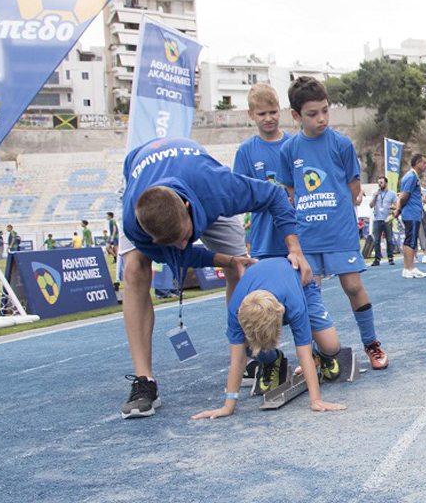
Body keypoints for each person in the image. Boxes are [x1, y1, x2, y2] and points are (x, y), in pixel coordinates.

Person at [117, 136, 308, 419]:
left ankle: (251, 352)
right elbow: (181, 257)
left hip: (199, 183)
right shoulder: (134, 223)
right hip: (141, 179)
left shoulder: (219, 188)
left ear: (187, 207)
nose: (182, 245)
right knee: (134, 270)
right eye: (171, 243)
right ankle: (144, 381)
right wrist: (222, 258)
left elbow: (275, 195)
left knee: (241, 270)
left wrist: (295, 249)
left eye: (184, 237)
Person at [279, 76, 390, 369]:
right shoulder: (288, 150)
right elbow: (291, 192)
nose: (321, 118)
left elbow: (353, 189)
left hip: (340, 232)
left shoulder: (341, 144)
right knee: (309, 294)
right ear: (296, 116)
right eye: (312, 114)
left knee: (353, 286)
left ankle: (371, 343)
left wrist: (335, 209)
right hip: (307, 236)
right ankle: (316, 354)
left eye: (325, 111)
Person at [191, 258, 347, 419]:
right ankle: (272, 360)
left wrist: (316, 400)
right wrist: (228, 406)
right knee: (247, 345)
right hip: (269, 288)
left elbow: (303, 353)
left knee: (331, 346)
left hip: (302, 285)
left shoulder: (295, 305)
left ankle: (319, 354)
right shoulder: (236, 310)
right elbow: (238, 359)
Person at [233, 84, 292, 262]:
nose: (268, 118)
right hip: (264, 239)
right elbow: (240, 194)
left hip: (297, 236)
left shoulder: (294, 144)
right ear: (251, 114)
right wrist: (269, 198)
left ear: (280, 110)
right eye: (261, 114)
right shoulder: (245, 151)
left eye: (273, 112)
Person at [396, 153, 426, 278]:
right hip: (412, 213)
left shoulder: (409, 176)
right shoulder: (412, 177)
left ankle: (408, 268)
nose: (425, 166)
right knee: (411, 241)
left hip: (411, 213)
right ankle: (409, 268)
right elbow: (404, 195)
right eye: (424, 163)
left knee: (409, 240)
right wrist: (399, 209)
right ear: (418, 163)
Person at [368, 175, 398, 266]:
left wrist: (392, 208)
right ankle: (377, 259)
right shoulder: (376, 193)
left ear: (386, 183)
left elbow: (396, 205)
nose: (380, 184)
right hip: (377, 219)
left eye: (381, 182)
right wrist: (375, 197)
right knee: (376, 240)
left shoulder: (392, 194)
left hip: (387, 219)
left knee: (389, 239)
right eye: (378, 183)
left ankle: (390, 258)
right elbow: (370, 205)